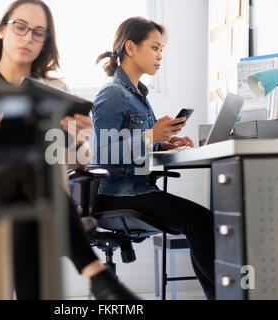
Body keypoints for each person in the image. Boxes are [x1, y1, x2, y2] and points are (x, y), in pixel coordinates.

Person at [0, 0, 137, 300]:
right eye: (20, 27)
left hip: (33, 200)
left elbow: (79, 164)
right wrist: (2, 136)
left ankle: (96, 278)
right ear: (2, 30)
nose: (28, 38)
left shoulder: (56, 90)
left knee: (26, 217)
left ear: (45, 41)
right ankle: (97, 276)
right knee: (29, 165)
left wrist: (77, 140)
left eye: (38, 32)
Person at [91, 17, 216, 300]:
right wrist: (150, 135)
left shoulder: (139, 96)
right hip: (117, 195)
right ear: (131, 48)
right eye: (156, 48)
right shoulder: (112, 94)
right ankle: (222, 294)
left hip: (138, 189)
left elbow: (133, 144)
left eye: (163, 50)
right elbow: (104, 154)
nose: (161, 56)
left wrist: (162, 141)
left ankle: (219, 294)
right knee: (197, 220)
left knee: (201, 220)